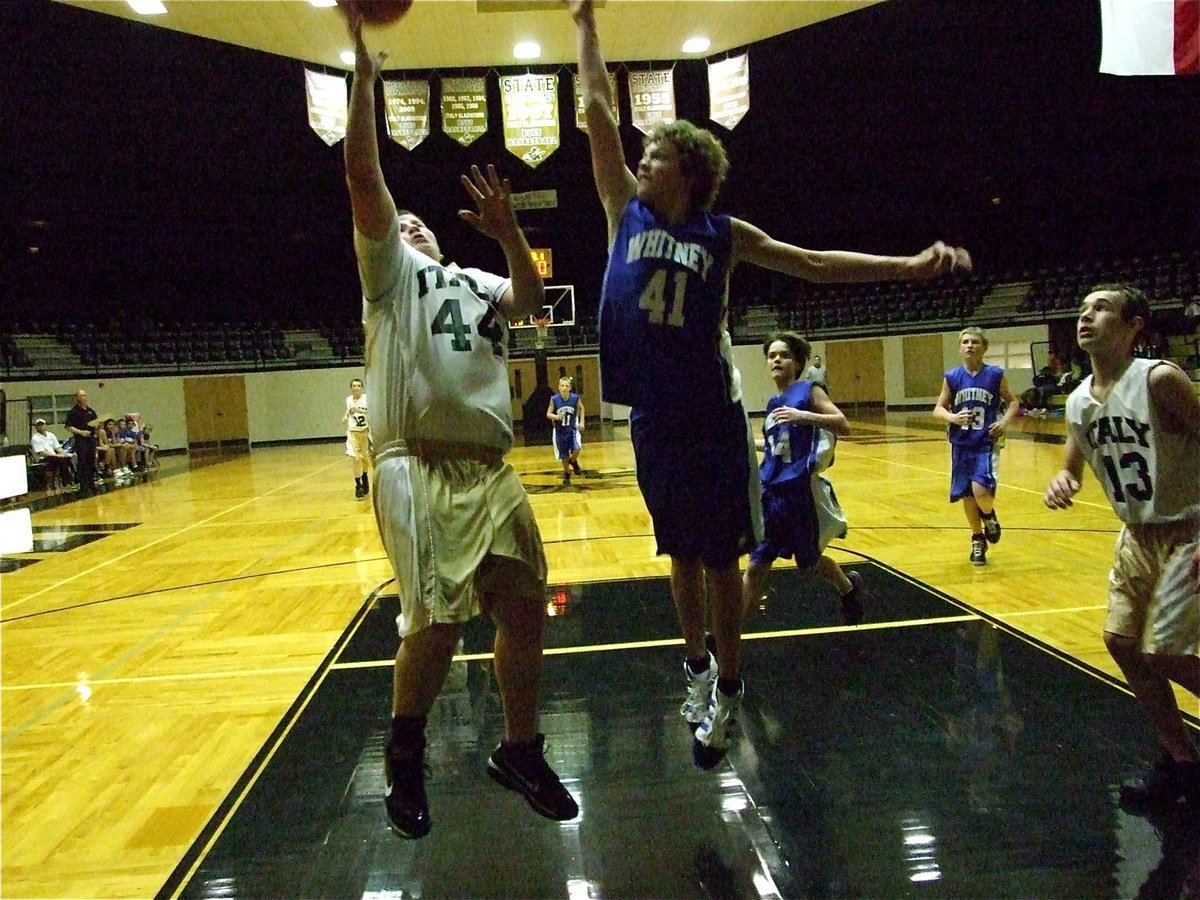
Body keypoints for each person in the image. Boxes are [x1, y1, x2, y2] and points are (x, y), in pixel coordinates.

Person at [568, 0, 972, 769]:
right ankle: (694, 669)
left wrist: (909, 266)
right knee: (677, 554)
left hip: (711, 412)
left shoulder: (724, 235)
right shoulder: (624, 211)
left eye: (655, 155)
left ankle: (729, 683)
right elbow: (594, 112)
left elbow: (814, 262)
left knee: (720, 557)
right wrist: (585, 24)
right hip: (652, 414)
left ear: (688, 169)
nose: (641, 161)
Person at [342, 13, 577, 840]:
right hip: (419, 464)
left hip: (491, 469)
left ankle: (520, 748)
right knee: (435, 623)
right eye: (397, 227)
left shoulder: (472, 276)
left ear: (439, 235)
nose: (406, 228)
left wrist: (512, 231)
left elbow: (534, 304)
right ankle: (404, 755)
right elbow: (367, 183)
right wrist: (364, 70)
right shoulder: (390, 279)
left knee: (522, 604)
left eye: (418, 224)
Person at [1044, 284, 1199, 811]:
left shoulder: (1158, 379)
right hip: (1136, 535)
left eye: (1102, 308)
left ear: (1134, 326)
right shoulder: (1078, 399)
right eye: (1083, 309)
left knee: (1166, 650)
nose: (1085, 316)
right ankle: (1181, 761)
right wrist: (1062, 481)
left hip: (1188, 529)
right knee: (1121, 642)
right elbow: (1071, 464)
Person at [742, 332, 867, 628]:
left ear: (797, 362)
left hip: (799, 494)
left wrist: (804, 415)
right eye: (771, 355)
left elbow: (843, 425)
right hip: (771, 493)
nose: (776, 360)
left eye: (783, 355)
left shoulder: (809, 391)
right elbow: (777, 447)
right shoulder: (774, 403)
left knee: (809, 563)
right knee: (756, 565)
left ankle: (848, 587)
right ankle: (729, 637)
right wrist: (745, 444)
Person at [933, 326, 1018, 566]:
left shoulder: (995, 374)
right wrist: (952, 418)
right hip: (961, 443)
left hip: (985, 443)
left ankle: (989, 516)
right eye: (966, 342)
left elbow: (1013, 403)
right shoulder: (952, 377)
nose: (970, 345)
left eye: (975, 342)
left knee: (981, 491)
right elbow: (938, 408)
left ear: (984, 347)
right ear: (960, 348)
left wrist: (1003, 422)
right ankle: (977, 539)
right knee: (967, 495)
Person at [546, 376, 584, 485]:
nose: (564, 388)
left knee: (577, 449)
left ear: (570, 388)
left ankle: (573, 461)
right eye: (562, 385)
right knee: (563, 455)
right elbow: (548, 414)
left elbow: (582, 408)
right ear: (558, 387)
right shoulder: (554, 399)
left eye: (566, 386)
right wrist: (556, 417)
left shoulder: (575, 398)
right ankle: (567, 473)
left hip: (572, 430)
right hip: (559, 431)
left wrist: (582, 422)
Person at [342, 377, 371, 499]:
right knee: (356, 458)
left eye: (358, 386)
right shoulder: (349, 400)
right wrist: (344, 416)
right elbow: (348, 410)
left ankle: (364, 476)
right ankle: (358, 484)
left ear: (361, 388)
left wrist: (359, 410)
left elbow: (371, 412)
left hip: (365, 432)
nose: (356, 388)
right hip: (353, 432)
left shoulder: (366, 399)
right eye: (354, 386)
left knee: (365, 459)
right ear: (351, 388)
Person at [64, 389, 98, 492]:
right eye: (82, 395)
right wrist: (81, 432)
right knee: (83, 462)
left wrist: (96, 426)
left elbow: (95, 423)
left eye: (85, 395)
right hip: (81, 440)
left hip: (91, 440)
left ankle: (91, 482)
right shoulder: (73, 412)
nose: (84, 397)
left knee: (91, 461)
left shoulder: (91, 411)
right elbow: (68, 426)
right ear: (77, 398)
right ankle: (83, 484)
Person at [30, 418, 75, 489]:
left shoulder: (51, 435)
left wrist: (65, 454)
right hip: (43, 458)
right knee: (60, 460)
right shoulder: (35, 438)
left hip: (53, 457)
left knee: (67, 459)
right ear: (36, 427)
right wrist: (57, 455)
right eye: (39, 425)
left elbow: (58, 448)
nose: (41, 427)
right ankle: (65, 482)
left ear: (45, 425)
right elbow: (42, 453)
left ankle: (71, 480)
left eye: (42, 425)